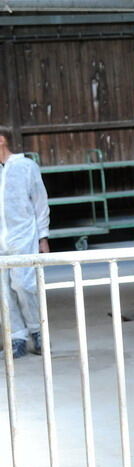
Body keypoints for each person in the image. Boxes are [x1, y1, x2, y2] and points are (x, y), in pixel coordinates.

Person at [0, 126, 49, 359]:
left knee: (23, 285)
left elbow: (40, 203)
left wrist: (43, 236)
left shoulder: (25, 166)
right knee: (3, 291)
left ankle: (37, 330)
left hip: (23, 235)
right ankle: (15, 337)